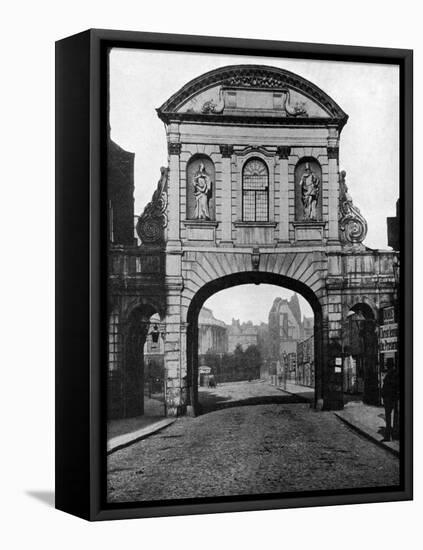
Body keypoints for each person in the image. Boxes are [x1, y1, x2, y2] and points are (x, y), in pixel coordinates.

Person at [381, 361, 399, 441]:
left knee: (388, 417)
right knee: (391, 417)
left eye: (387, 366)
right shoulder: (394, 374)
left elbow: (390, 386)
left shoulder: (391, 375)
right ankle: (391, 435)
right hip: (392, 398)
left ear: (389, 366)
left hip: (389, 398)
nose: (387, 367)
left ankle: (388, 436)